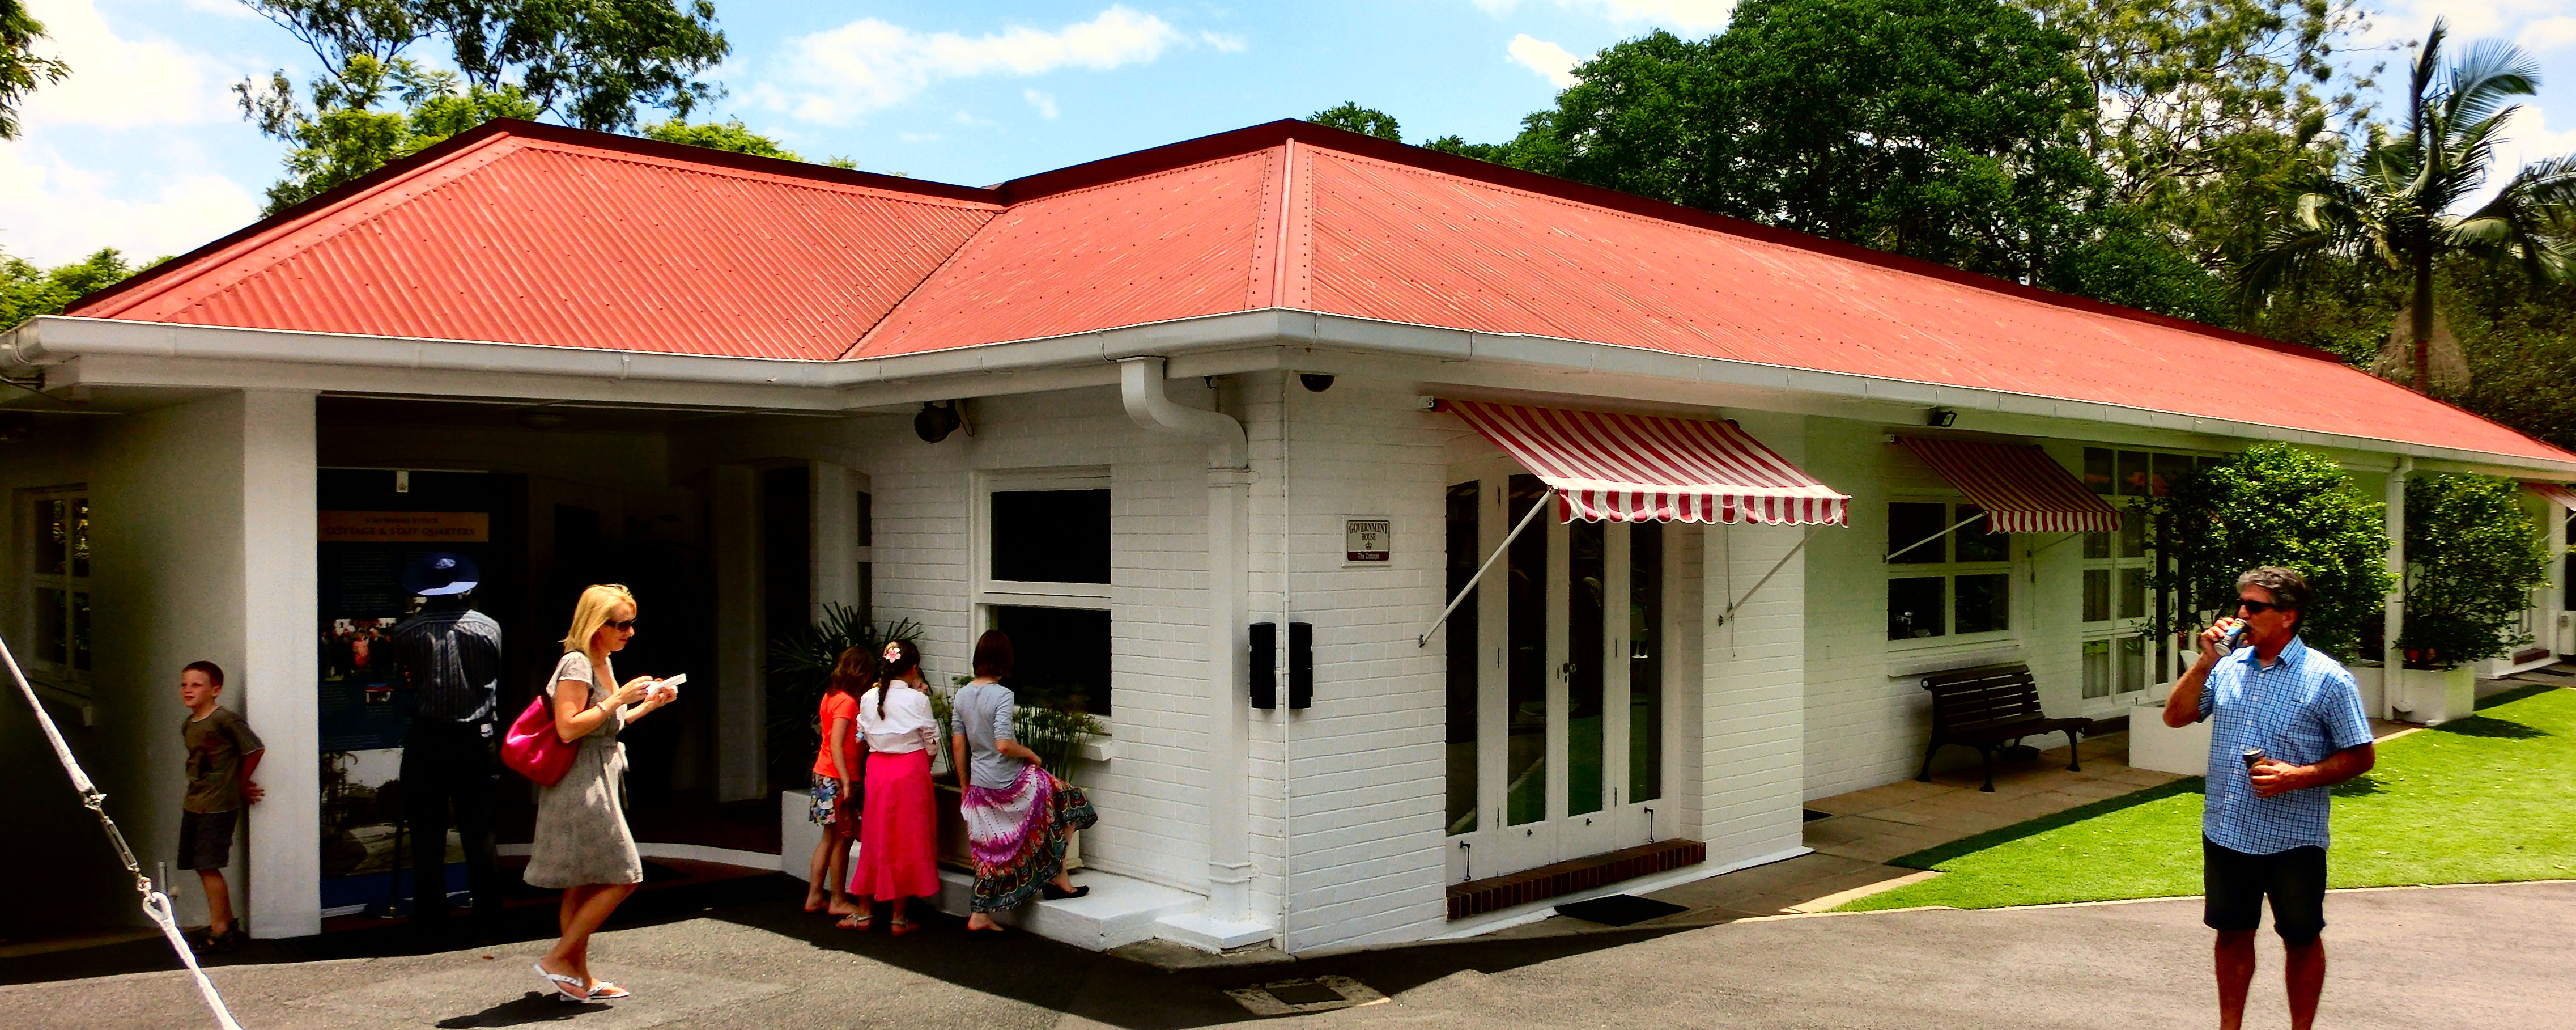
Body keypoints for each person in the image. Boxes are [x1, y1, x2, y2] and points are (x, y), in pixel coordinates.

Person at [2163, 566, 2377, 1030]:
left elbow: (2361, 756)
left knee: (2301, 938)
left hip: (2293, 839)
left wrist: (2299, 775)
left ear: (2287, 616)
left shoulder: (2327, 679)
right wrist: (2205, 660)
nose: (2242, 613)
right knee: (2232, 934)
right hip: (2227, 829)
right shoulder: (2227, 667)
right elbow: (2176, 717)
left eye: (2255, 606)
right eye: (2241, 604)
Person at [528, 584, 677, 1003]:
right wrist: (618, 698)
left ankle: (578, 977)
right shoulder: (576, 664)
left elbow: (611, 724)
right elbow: (569, 726)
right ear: (597, 625)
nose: (629, 632)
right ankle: (559, 959)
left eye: (632, 623)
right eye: (621, 624)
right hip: (580, 781)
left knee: (582, 880)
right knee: (625, 874)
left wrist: (648, 704)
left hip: (600, 773)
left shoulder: (602, 661)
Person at [386, 552, 506, 941]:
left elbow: (405, 680)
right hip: (478, 737)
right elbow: (495, 671)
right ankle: (489, 913)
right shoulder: (489, 628)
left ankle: (430, 915)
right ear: (466, 588)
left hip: (428, 737)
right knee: (480, 830)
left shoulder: (406, 632)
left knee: (427, 830)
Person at [952, 630, 1095, 934]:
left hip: (980, 783)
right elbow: (1004, 744)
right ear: (1006, 660)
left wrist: (965, 786)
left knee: (990, 849)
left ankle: (980, 913)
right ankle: (1057, 874)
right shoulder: (1003, 695)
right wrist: (1031, 755)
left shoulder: (962, 695)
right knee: (1071, 799)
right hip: (1009, 780)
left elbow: (958, 744)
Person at [846, 639, 941, 934]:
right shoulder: (918, 700)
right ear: (913, 668)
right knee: (907, 838)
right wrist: (925, 764)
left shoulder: (869, 696)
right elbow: (931, 741)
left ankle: (864, 912)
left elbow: (861, 735)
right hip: (910, 769)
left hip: (877, 768)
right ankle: (898, 917)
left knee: (875, 835)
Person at [177, 660, 264, 952]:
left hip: (217, 805)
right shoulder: (189, 724)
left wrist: (241, 784)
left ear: (215, 690)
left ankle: (221, 931)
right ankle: (225, 921)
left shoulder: (226, 720)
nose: (188, 690)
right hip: (196, 801)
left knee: (208, 865)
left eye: (197, 685)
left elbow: (254, 748)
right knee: (200, 866)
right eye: (184, 684)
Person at [806, 646, 870, 919]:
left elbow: (829, 736)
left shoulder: (830, 697)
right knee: (842, 840)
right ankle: (838, 899)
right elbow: (838, 742)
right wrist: (847, 781)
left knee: (828, 838)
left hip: (823, 771)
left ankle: (815, 896)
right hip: (837, 775)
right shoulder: (847, 702)